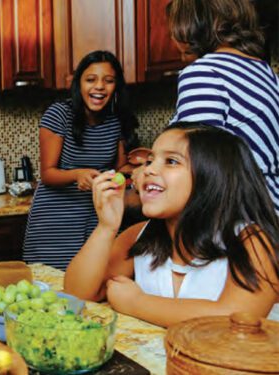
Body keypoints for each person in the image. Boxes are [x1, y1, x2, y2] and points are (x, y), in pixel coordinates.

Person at [65, 123, 279, 327]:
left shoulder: (251, 241)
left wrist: (136, 303)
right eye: (150, 161)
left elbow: (237, 318)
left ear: (213, 177)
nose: (148, 170)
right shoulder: (139, 235)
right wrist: (106, 227)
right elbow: (78, 294)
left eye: (171, 162)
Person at [22, 50, 140, 270]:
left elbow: (119, 169)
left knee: (92, 283)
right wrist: (78, 174)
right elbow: (48, 173)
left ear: (116, 87)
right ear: (79, 84)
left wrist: (141, 169)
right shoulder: (59, 114)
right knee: (53, 286)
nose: (99, 87)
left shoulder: (117, 120)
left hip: (97, 217)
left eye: (109, 81)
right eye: (90, 80)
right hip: (56, 219)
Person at [167, 0, 279, 212]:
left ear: (190, 23)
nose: (172, 37)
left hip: (235, 215)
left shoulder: (203, 72)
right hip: (269, 212)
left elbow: (195, 167)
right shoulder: (266, 72)